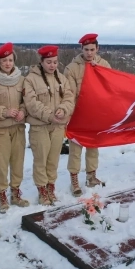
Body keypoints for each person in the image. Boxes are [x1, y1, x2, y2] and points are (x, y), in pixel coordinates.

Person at [23, 45, 74, 205]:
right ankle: (42, 191)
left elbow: (69, 98)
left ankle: (51, 187)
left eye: (55, 62)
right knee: (41, 160)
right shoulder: (31, 79)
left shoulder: (61, 78)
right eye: (49, 62)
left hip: (58, 126)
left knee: (53, 160)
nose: (52, 65)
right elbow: (31, 104)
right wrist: (50, 115)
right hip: (40, 126)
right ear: (42, 61)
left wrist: (63, 109)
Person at [64, 33, 111, 197]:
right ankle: (74, 180)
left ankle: (91, 176)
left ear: (97, 48)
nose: (89, 53)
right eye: (86, 49)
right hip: (78, 114)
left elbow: (110, 87)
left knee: (93, 147)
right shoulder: (72, 68)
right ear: (81, 49)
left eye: (92, 49)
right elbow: (68, 94)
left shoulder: (104, 65)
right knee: (75, 149)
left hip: (96, 114)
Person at [0, 42, 29, 213]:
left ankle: (15, 192)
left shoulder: (21, 79)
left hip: (18, 128)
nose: (7, 63)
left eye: (10, 60)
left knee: (18, 162)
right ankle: (2, 194)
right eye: (4, 60)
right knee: (2, 164)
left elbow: (27, 101)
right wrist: (4, 112)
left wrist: (22, 111)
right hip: (1, 129)